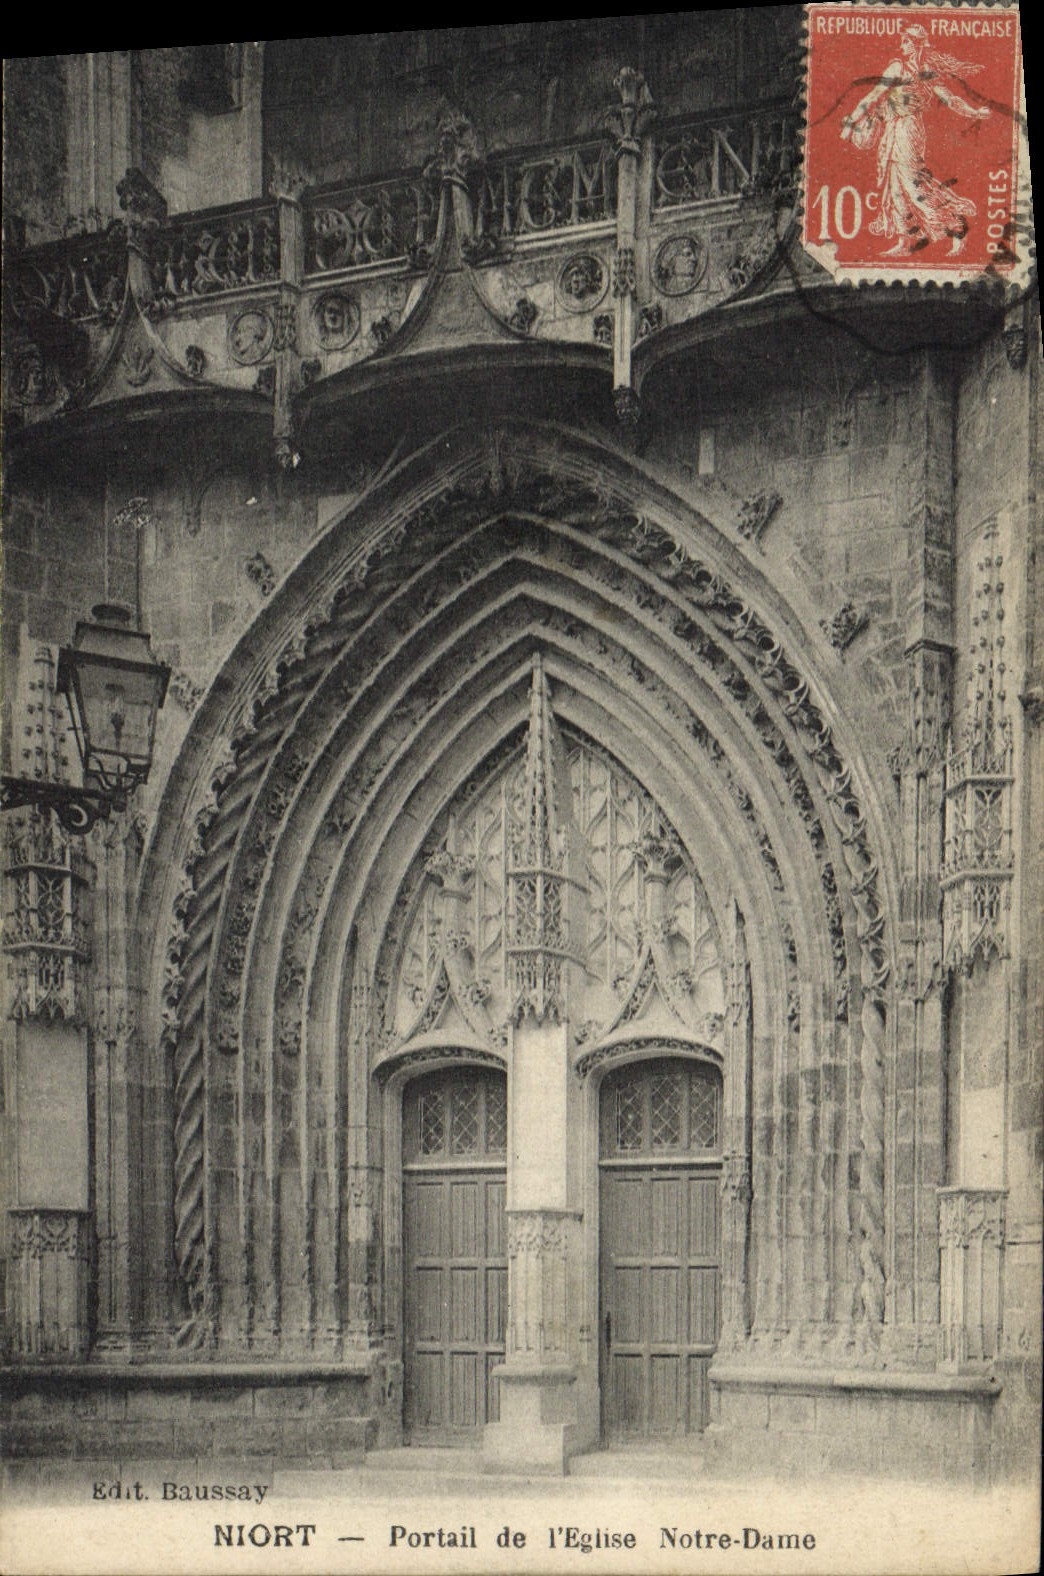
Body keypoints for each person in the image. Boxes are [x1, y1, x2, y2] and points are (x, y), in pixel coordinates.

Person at [841, 24, 990, 256]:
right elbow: (873, 96)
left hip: (909, 129)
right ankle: (906, 241)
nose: (901, 45)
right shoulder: (896, 67)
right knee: (894, 187)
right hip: (893, 128)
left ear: (915, 44)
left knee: (913, 184)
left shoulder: (924, 70)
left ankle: (957, 228)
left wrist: (975, 112)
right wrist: (851, 122)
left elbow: (950, 99)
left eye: (905, 41)